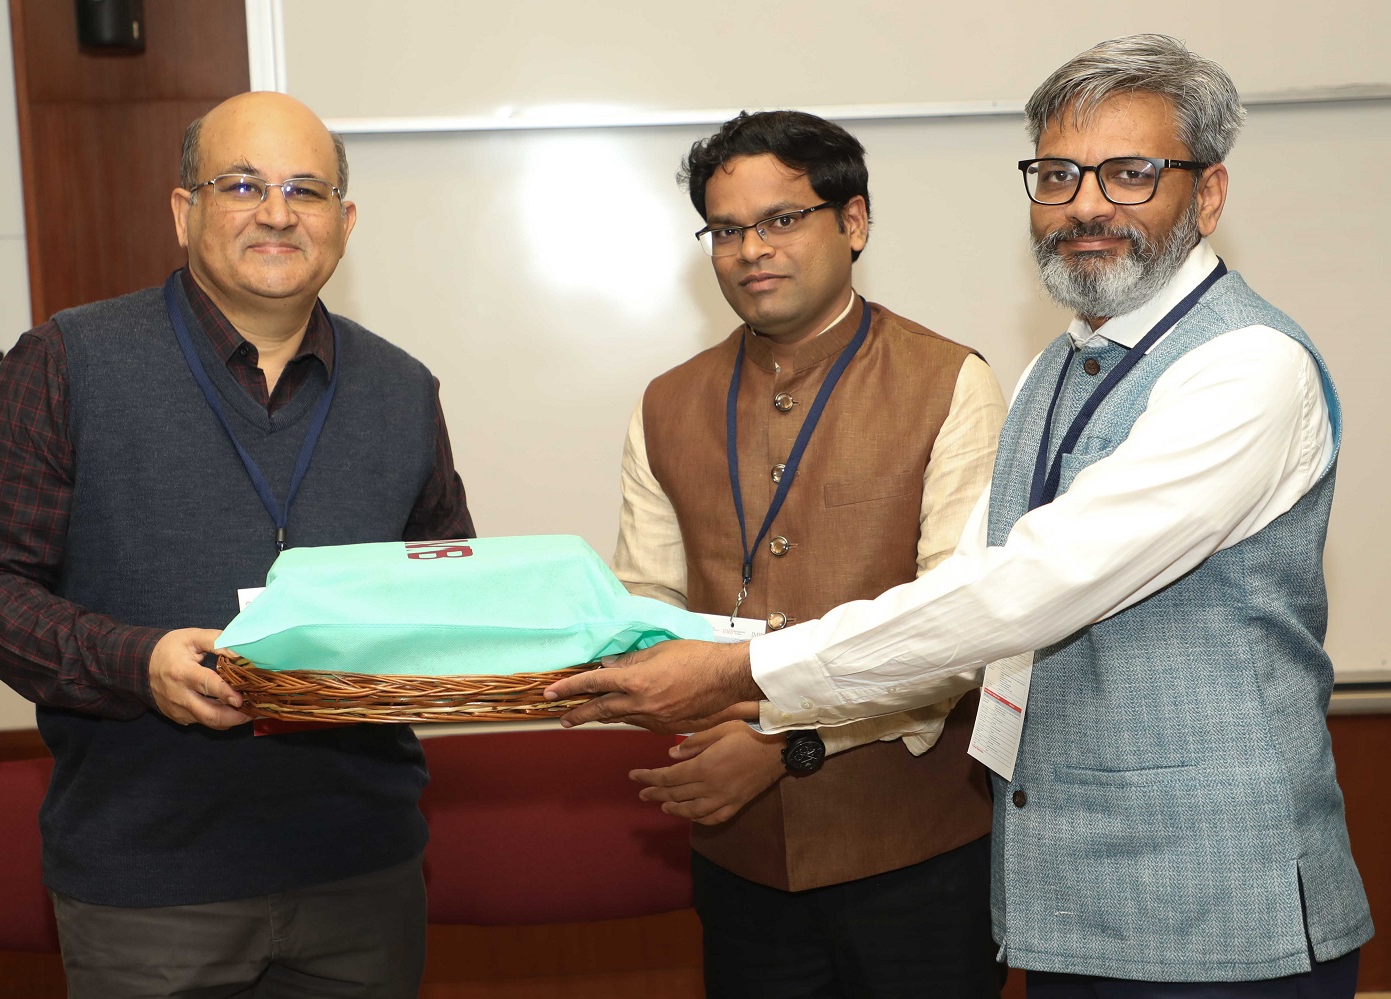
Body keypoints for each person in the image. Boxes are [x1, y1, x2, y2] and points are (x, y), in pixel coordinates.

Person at [550, 34, 1374, 996]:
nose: (1087, 205)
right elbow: (964, 593)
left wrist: (750, 680)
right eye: (1058, 175)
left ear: (1209, 193)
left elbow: (1023, 590)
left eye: (1131, 174)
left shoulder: (1246, 367)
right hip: (1075, 904)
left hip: (1225, 913)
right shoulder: (1058, 368)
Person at [0, 92, 471, 998]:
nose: (275, 212)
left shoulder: (402, 389)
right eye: (242, 184)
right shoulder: (69, 360)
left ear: (344, 222)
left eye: (305, 189)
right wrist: (135, 662)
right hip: (148, 890)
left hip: (362, 877)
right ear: (184, 211)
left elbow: (445, 585)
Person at [611, 110, 1006, 997]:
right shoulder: (666, 403)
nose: (753, 249)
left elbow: (959, 626)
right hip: (738, 858)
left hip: (916, 857)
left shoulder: (951, 382)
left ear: (853, 222)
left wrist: (783, 737)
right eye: (727, 229)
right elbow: (645, 603)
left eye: (782, 219)